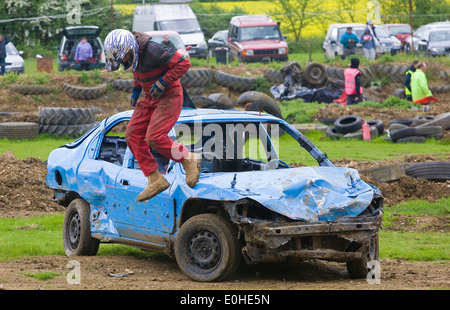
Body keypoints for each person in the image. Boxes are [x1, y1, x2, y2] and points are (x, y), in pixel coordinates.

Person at [104, 29, 201, 202]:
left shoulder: (153, 50)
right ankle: (154, 178)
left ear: (130, 48)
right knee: (132, 135)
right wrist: (135, 91)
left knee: (154, 137)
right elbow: (138, 73)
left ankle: (188, 159)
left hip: (170, 95)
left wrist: (163, 82)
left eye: (123, 57)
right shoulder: (134, 56)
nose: (123, 61)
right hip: (151, 96)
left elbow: (184, 63)